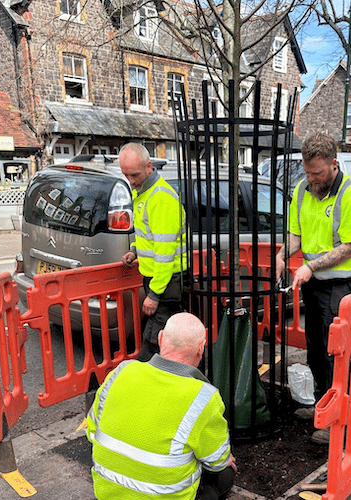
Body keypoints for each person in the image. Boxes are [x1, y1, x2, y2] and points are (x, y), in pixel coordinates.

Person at [276, 132, 351, 444]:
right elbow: (296, 237)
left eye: (317, 172)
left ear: (334, 164)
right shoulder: (302, 190)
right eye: (307, 171)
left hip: (341, 288)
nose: (311, 178)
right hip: (314, 286)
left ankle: (340, 419)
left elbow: (349, 248)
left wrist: (310, 266)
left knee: (336, 354)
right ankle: (322, 404)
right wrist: (281, 254)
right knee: (315, 348)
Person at [87, 312, 237, 500]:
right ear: (201, 348)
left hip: (107, 492)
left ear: (160, 338)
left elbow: (92, 431)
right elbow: (217, 462)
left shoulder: (122, 371)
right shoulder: (204, 397)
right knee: (225, 473)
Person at [120, 143, 188, 361]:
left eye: (134, 174)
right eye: (126, 175)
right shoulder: (146, 193)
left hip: (167, 282)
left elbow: (165, 254)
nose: (130, 181)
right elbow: (151, 237)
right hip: (161, 280)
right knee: (161, 340)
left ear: (149, 166)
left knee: (154, 343)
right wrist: (136, 251)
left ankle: (143, 388)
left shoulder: (160, 199)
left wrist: (155, 294)